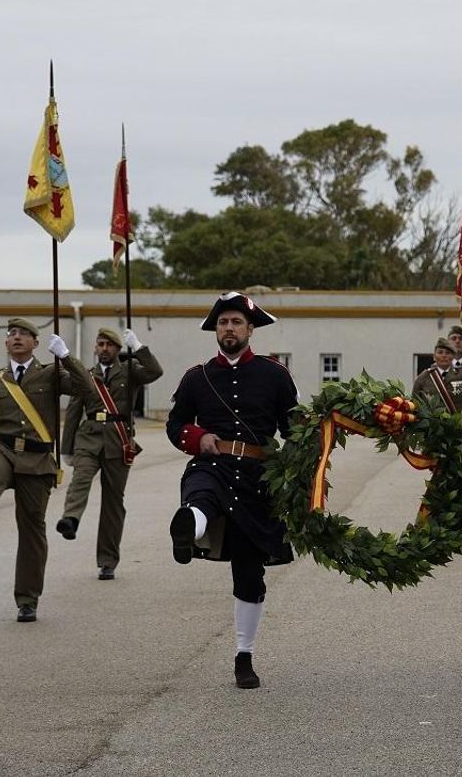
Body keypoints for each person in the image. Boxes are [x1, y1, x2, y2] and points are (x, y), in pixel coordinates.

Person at [165, 292, 298, 689]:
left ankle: (244, 655)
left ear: (250, 329)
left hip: (258, 478)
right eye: (223, 323)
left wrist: (302, 468)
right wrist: (197, 436)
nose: (229, 328)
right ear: (215, 330)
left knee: (248, 571)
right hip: (213, 464)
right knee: (199, 494)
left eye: (236, 322)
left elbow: (294, 430)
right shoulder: (197, 377)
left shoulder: (275, 375)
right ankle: (190, 528)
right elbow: (175, 425)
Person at [0, 319, 96, 623]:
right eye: (12, 335)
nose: (17, 338)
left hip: (36, 459)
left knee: (32, 528)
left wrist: (67, 356)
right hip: (2, 449)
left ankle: (27, 598)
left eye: (24, 334)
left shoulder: (51, 373)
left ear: (35, 343)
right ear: (6, 344)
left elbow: (88, 389)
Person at [56, 326, 164, 580]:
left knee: (113, 504)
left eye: (110, 345)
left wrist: (138, 348)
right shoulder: (87, 375)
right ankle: (70, 519)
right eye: (100, 344)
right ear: (95, 347)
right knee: (80, 479)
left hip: (118, 441)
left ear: (117, 349)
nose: (104, 349)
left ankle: (107, 560)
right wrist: (67, 448)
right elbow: (73, 411)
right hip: (89, 438)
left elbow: (154, 372)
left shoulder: (129, 372)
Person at [413, 335, 462, 419]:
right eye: (440, 352)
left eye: (448, 353)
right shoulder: (424, 377)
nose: (444, 356)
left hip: (459, 425)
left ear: (453, 357)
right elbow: (415, 403)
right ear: (434, 356)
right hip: (433, 427)